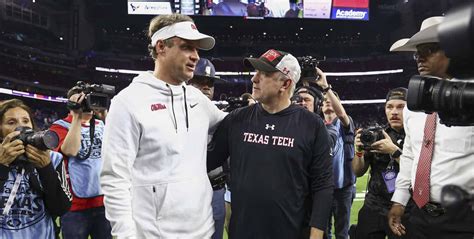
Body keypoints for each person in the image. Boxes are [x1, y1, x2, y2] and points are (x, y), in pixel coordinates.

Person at [100, 14, 226, 238]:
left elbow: (232, 124)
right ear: (161, 47)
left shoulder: (198, 100)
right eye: (187, 47)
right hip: (154, 234)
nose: (196, 56)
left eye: (197, 50)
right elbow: (115, 179)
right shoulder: (128, 102)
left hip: (203, 231)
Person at [207, 49, 333, 239]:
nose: (254, 79)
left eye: (264, 74)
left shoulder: (313, 126)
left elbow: (323, 185)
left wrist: (316, 234)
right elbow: (206, 161)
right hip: (243, 233)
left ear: (286, 83)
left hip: (292, 232)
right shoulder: (236, 119)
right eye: (256, 72)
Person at [388, 16, 474, 238]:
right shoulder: (413, 104)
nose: (419, 58)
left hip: (465, 218)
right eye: (418, 52)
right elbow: (411, 153)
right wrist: (399, 199)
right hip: (419, 215)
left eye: (429, 50)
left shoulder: (471, 98)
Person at [0, 99, 71, 238]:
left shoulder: (53, 158)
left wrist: (46, 168)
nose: (21, 127)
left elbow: (60, 208)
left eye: (25, 121)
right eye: (11, 122)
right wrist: (2, 165)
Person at [49, 87, 112, 239]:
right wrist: (77, 117)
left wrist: (106, 116)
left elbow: (118, 147)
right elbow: (70, 150)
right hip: (75, 206)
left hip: (103, 201)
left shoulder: (101, 124)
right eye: (83, 101)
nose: (88, 105)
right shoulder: (59, 126)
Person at [352, 88, 414, 239]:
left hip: (404, 208)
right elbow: (358, 171)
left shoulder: (418, 138)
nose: (394, 111)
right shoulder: (376, 135)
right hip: (374, 206)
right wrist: (359, 151)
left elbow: (419, 173)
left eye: (401, 107)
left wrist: (394, 151)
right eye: (390, 107)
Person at [189, 57, 226, 239]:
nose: (206, 87)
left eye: (210, 83)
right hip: (186, 191)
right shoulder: (169, 113)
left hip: (216, 190)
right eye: (199, 81)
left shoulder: (221, 117)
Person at [318, 69, 355, 239]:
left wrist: (326, 89)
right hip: (321, 187)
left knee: (342, 232)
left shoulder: (345, 124)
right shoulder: (316, 125)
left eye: (331, 100)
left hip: (343, 187)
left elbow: (341, 114)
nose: (327, 102)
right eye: (324, 101)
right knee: (323, 232)